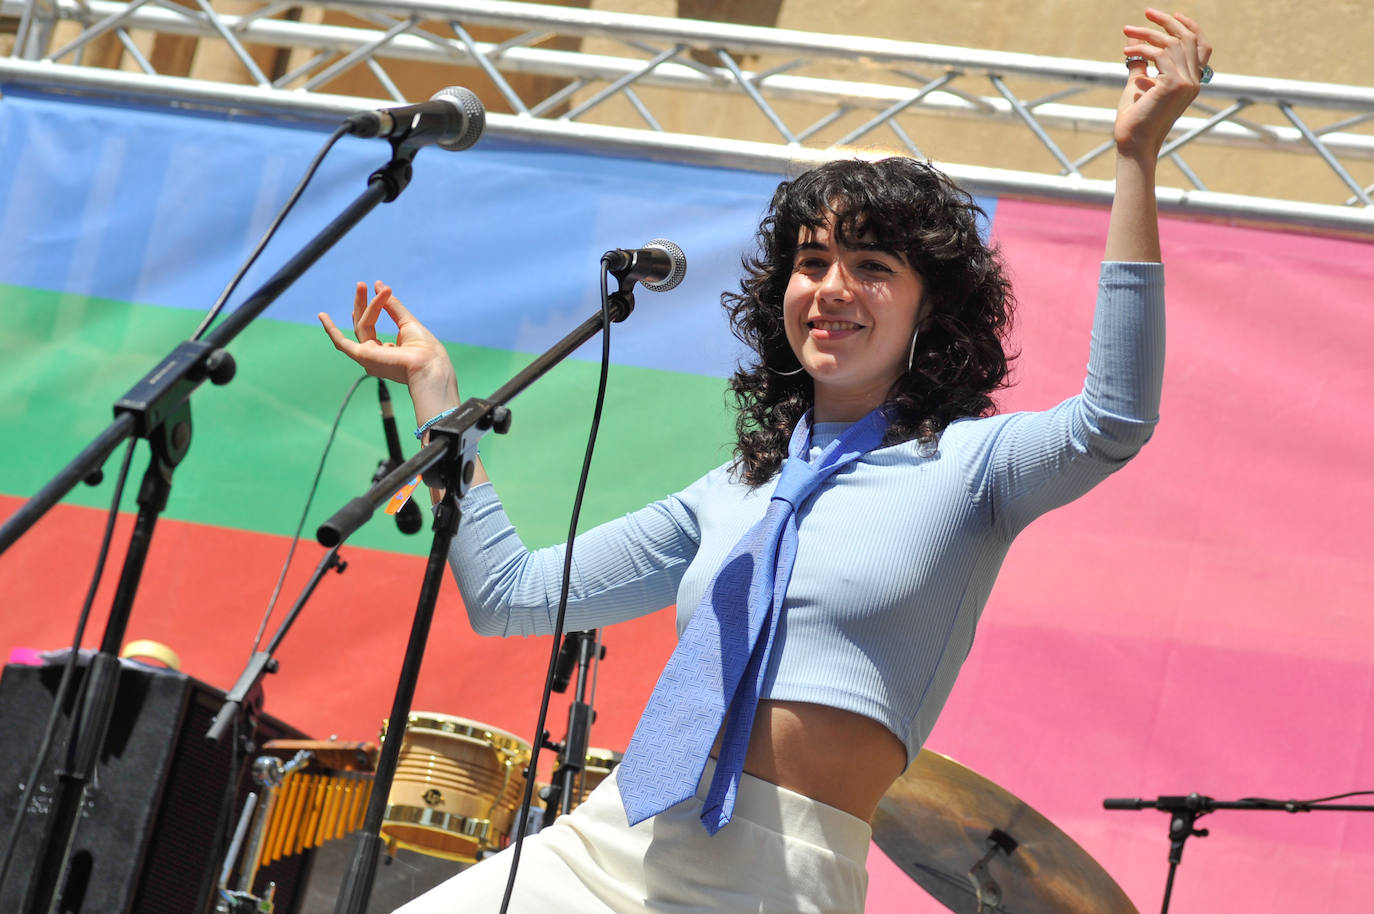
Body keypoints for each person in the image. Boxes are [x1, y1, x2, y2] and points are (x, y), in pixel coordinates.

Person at [319, 10, 1211, 912]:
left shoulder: (973, 467)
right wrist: (440, 397)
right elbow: (509, 596)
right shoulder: (734, 491)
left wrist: (1134, 158)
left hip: (779, 881)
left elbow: (1115, 418)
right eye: (812, 260)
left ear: (929, 307)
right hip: (607, 845)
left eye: (871, 266)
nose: (831, 288)